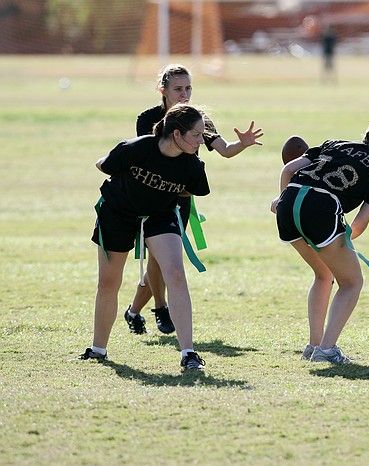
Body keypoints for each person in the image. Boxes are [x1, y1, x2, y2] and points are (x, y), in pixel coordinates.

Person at [123, 64, 263, 336]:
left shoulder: (199, 119)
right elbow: (145, 155)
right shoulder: (148, 119)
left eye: (188, 88)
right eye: (178, 89)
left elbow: (223, 150)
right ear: (162, 90)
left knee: (165, 260)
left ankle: (133, 311)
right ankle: (161, 309)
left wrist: (241, 145)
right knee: (159, 258)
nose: (184, 94)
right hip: (152, 196)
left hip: (181, 197)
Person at [80, 104, 210, 371]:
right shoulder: (136, 148)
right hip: (118, 213)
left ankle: (188, 353)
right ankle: (98, 349)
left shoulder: (192, 166)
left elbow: (189, 191)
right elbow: (103, 165)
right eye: (196, 135)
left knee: (175, 273)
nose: (201, 140)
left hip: (159, 215)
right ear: (176, 134)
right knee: (108, 282)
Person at [270, 118, 369, 363]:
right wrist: (339, 237)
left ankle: (314, 346)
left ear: (367, 135)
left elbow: (289, 169)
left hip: (289, 203)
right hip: (322, 209)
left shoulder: (336, 144)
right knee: (352, 282)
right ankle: (326, 349)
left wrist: (281, 200)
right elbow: (359, 225)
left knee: (323, 274)